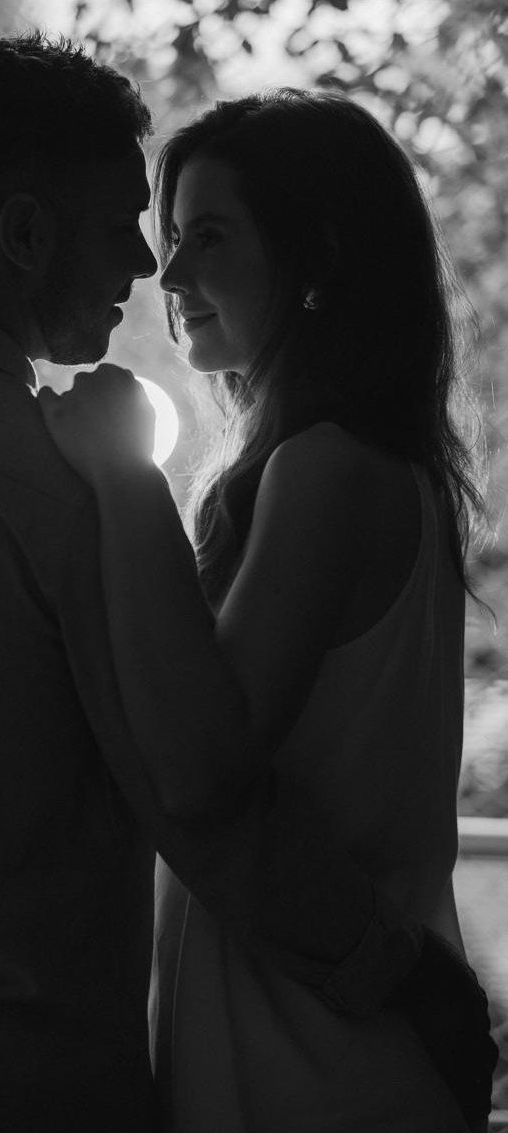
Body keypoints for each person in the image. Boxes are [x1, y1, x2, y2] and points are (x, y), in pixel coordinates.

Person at [0, 37, 488, 1133]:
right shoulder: (62, 482)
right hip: (25, 1087)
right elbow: (203, 804)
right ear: (24, 234)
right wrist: (407, 978)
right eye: (125, 225)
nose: (147, 267)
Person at [39, 88, 497, 1132]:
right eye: (170, 237)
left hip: (325, 1061)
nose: (169, 276)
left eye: (206, 236)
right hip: (318, 1036)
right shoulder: (361, 465)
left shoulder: (325, 470)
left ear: (315, 255)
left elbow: (205, 764)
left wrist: (122, 478)